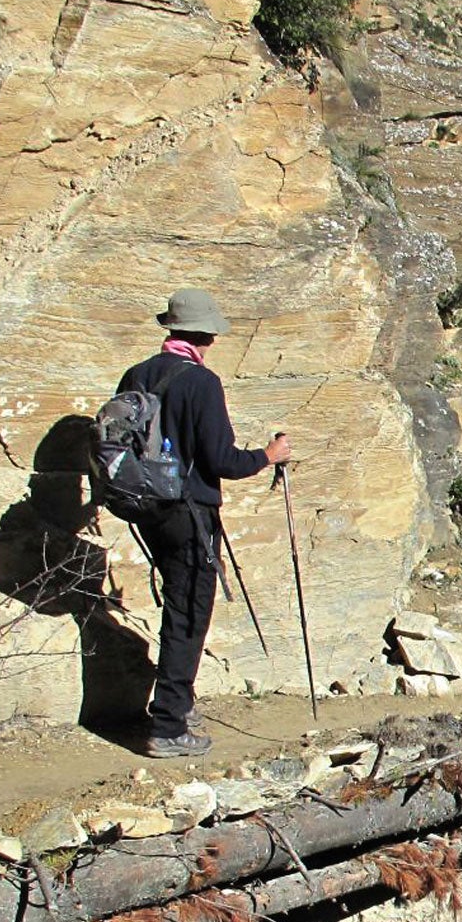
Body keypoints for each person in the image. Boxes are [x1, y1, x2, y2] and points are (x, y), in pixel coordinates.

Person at [121, 288, 290, 758]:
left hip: (146, 508)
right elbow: (223, 461)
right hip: (188, 512)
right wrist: (268, 455)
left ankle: (179, 704)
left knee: (178, 607)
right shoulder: (202, 382)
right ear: (208, 336)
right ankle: (169, 726)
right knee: (189, 615)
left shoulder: (137, 375)